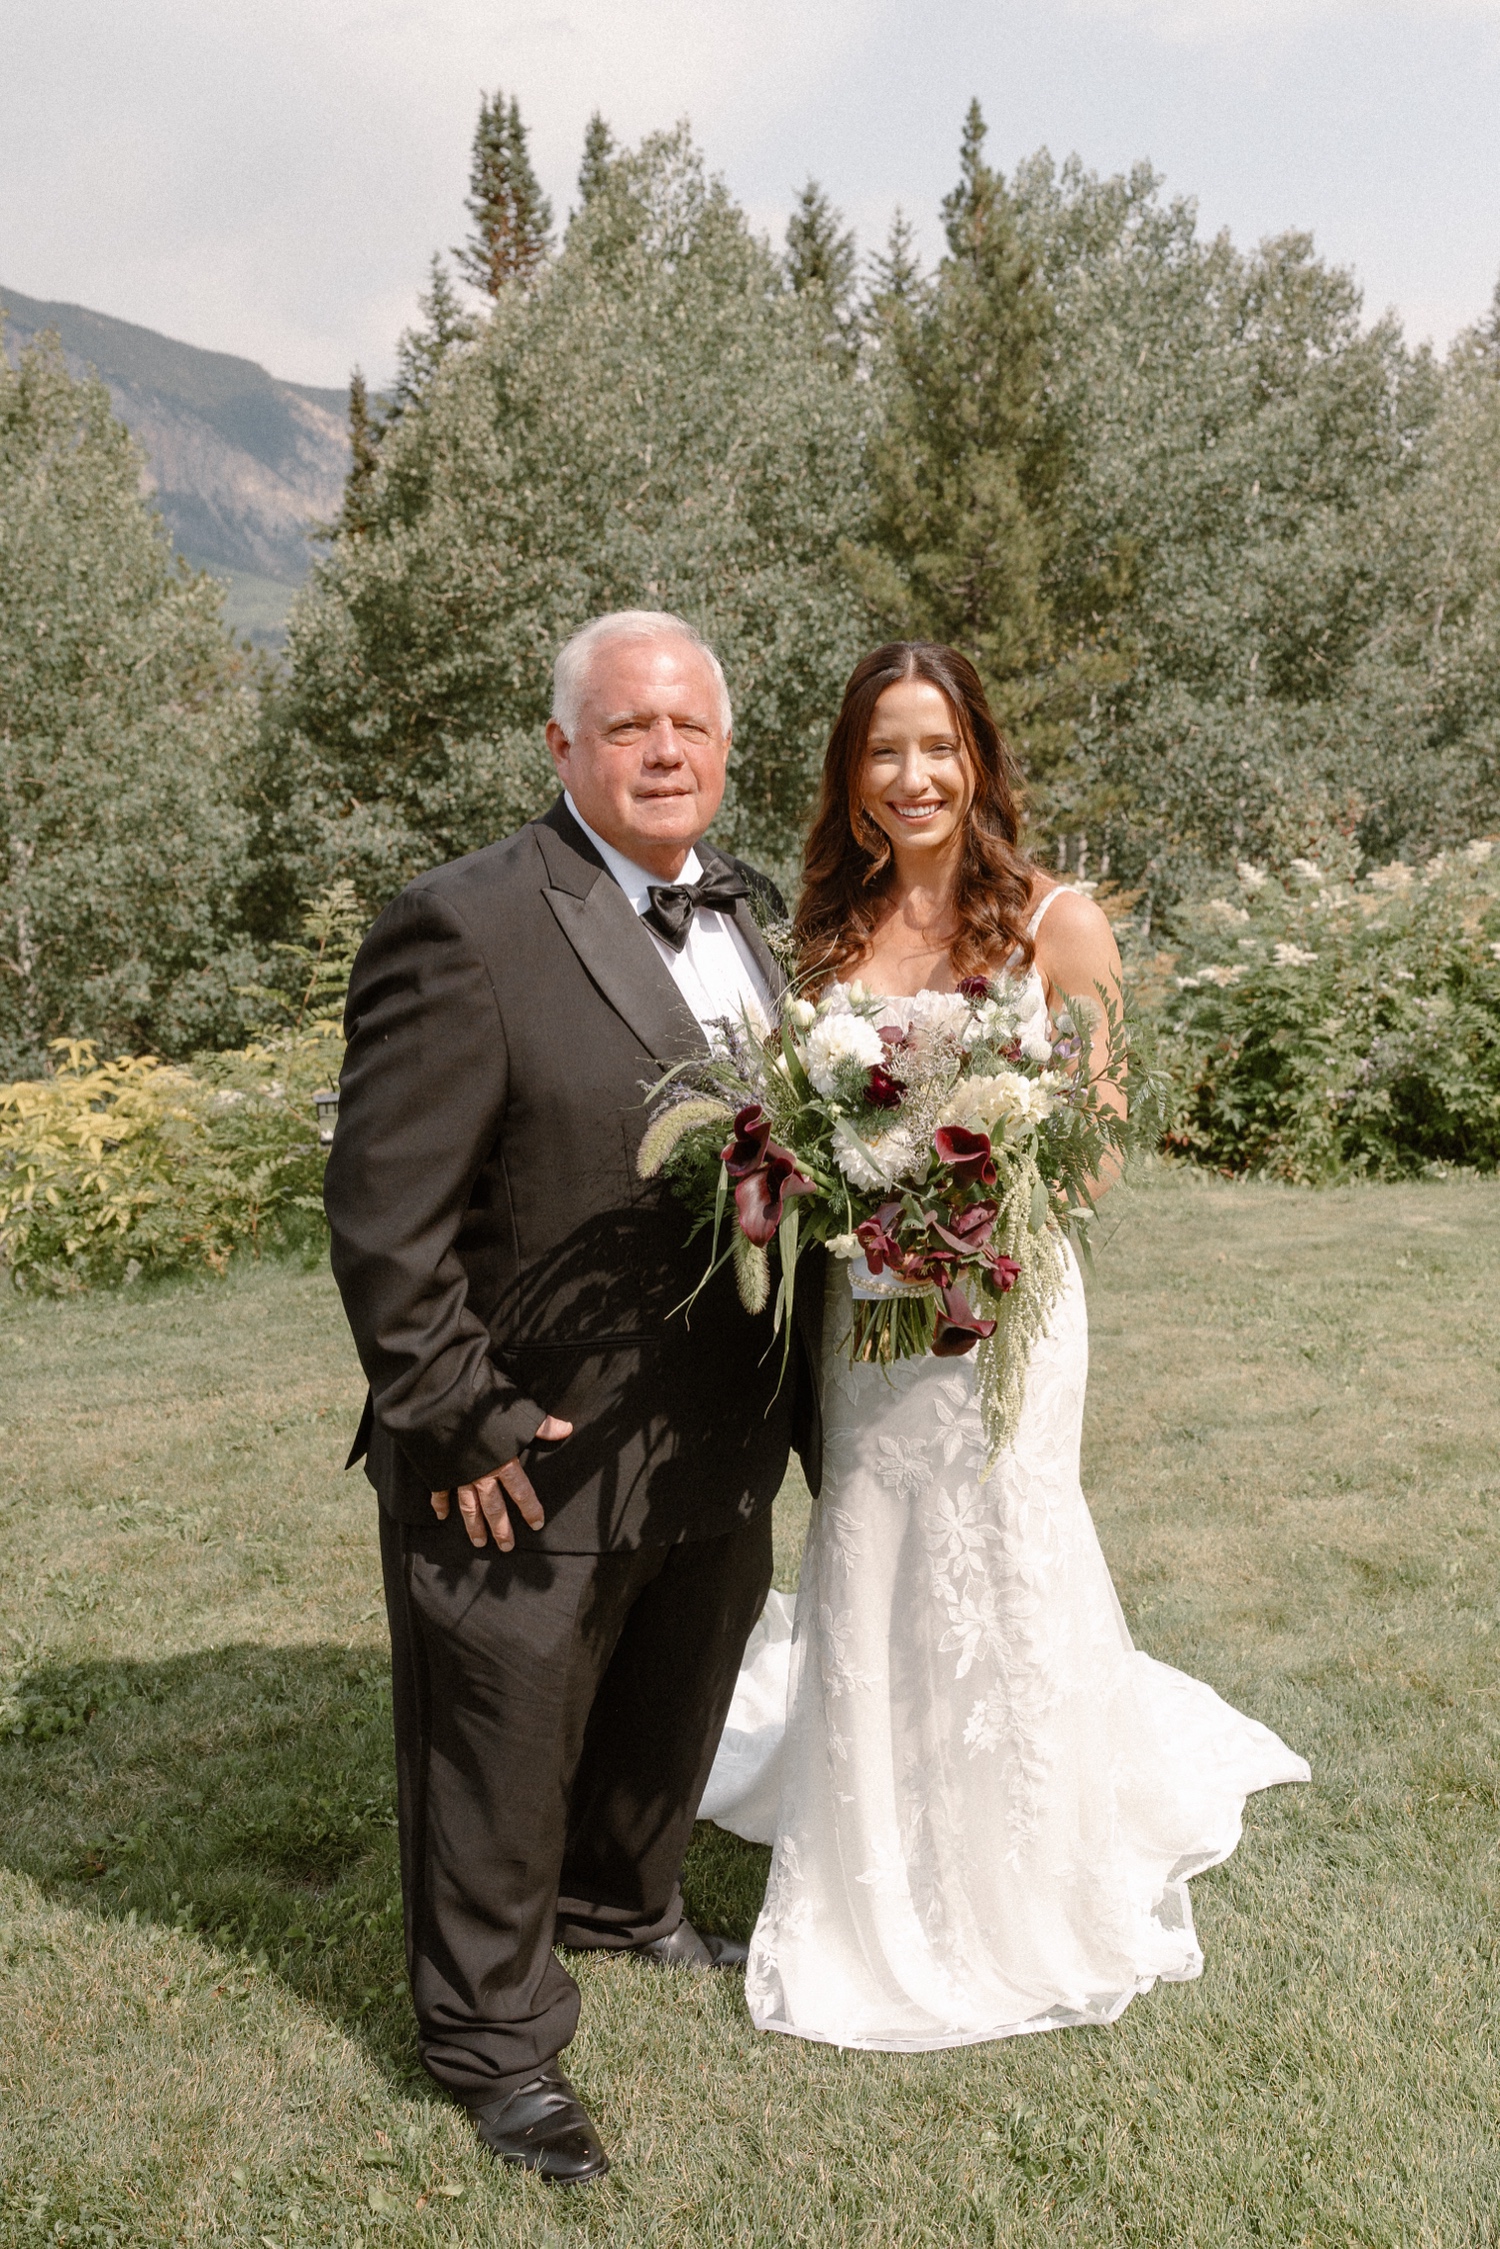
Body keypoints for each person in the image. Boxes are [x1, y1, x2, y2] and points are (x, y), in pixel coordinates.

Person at [705, 641, 1309, 2051]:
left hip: (1003, 1304)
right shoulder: (824, 931)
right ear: (853, 776)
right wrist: (848, 1185)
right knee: (869, 1528)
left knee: (1001, 1529)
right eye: (882, 751)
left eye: (936, 746)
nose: (912, 776)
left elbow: (1098, 1150)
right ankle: (877, 1820)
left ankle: (1027, 1844)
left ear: (977, 756)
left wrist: (971, 1187)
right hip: (867, 1313)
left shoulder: (1055, 920)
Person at [324, 611, 818, 2184]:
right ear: (560, 748)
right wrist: (452, 1412)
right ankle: (493, 2036)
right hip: (521, 1440)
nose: (663, 750)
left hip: (714, 1426)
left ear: (724, 746)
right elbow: (383, 1213)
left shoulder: (758, 921)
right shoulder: (459, 926)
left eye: (687, 725)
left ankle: (623, 1897)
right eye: (626, 727)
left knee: (674, 1686)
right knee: (500, 1729)